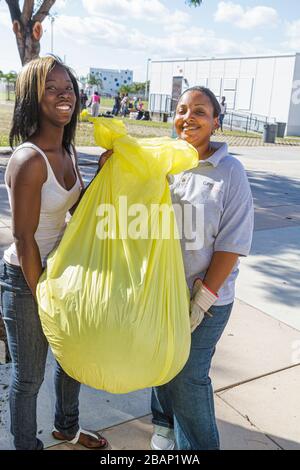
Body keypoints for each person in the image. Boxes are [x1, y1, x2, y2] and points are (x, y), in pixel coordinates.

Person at [0, 56, 109, 450]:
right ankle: (26, 444)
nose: (65, 95)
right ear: (32, 96)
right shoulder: (29, 160)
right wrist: (43, 292)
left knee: (72, 359)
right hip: (27, 277)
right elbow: (25, 238)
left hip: (62, 273)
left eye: (69, 87)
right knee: (28, 378)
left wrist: (103, 177)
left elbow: (75, 214)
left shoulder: (67, 150)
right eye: (52, 87)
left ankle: (67, 428)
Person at [150, 86, 254, 450]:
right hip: (162, 293)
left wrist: (202, 299)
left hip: (207, 301)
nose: (188, 117)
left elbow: (232, 244)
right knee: (161, 359)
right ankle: (163, 424)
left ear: (215, 123)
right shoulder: (165, 162)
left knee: (188, 379)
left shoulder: (230, 172)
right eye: (181, 110)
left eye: (199, 111)